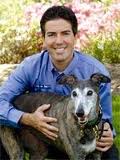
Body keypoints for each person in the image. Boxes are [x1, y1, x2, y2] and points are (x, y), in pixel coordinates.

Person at [0, 5, 119, 160]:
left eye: (65, 33)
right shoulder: (30, 67)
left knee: (110, 154)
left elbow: (106, 118)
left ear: (75, 36)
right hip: (37, 135)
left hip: (76, 135)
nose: (58, 41)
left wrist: (109, 132)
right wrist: (27, 119)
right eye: (51, 34)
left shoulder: (96, 71)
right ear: (43, 39)